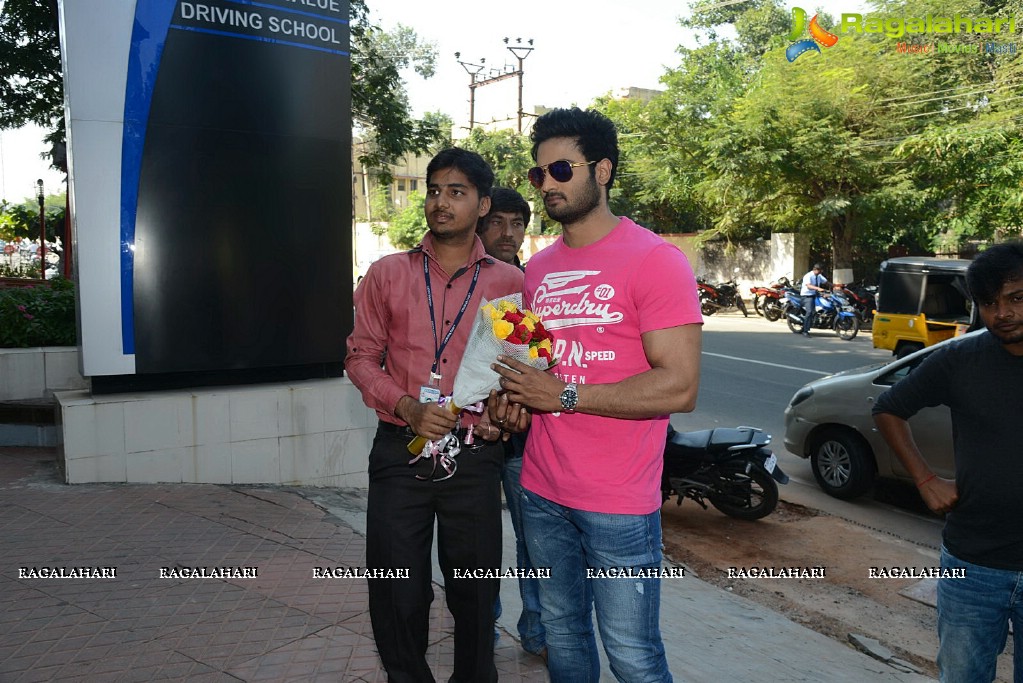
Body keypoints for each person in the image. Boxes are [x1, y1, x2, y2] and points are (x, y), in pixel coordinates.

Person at [488, 107, 702, 682]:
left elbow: (679, 385)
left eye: (561, 169)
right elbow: (535, 370)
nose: (548, 184)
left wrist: (565, 397)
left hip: (619, 502)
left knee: (632, 654)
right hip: (539, 490)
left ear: (602, 170)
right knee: (562, 636)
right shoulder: (538, 271)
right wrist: (512, 401)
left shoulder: (656, 260)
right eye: (539, 174)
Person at [345, 148, 524, 683]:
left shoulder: (509, 283)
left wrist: (503, 411)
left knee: (473, 591)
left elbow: (514, 370)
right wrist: (406, 405)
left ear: (482, 204)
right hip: (401, 450)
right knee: (398, 588)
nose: (440, 202)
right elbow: (359, 357)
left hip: (474, 456)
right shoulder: (387, 274)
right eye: (434, 191)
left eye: (456, 192)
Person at [872, 241, 1023, 683]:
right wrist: (924, 479)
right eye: (989, 303)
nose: (1003, 314)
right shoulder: (961, 359)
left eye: (1016, 298)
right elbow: (888, 408)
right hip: (972, 565)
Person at [476, 187, 548, 662]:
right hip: (473, 437)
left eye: (518, 223)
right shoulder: (468, 279)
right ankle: (482, 631)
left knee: (536, 543)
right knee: (478, 545)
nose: (508, 232)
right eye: (498, 222)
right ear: (481, 224)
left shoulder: (533, 281)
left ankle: (538, 632)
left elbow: (538, 364)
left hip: (524, 440)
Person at [799, 262, 828, 337]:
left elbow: (826, 282)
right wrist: (818, 288)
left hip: (815, 295)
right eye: (820, 270)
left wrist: (835, 286)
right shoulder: (808, 276)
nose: (821, 272)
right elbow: (808, 286)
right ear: (816, 269)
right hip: (807, 296)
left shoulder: (818, 276)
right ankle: (805, 331)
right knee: (810, 312)